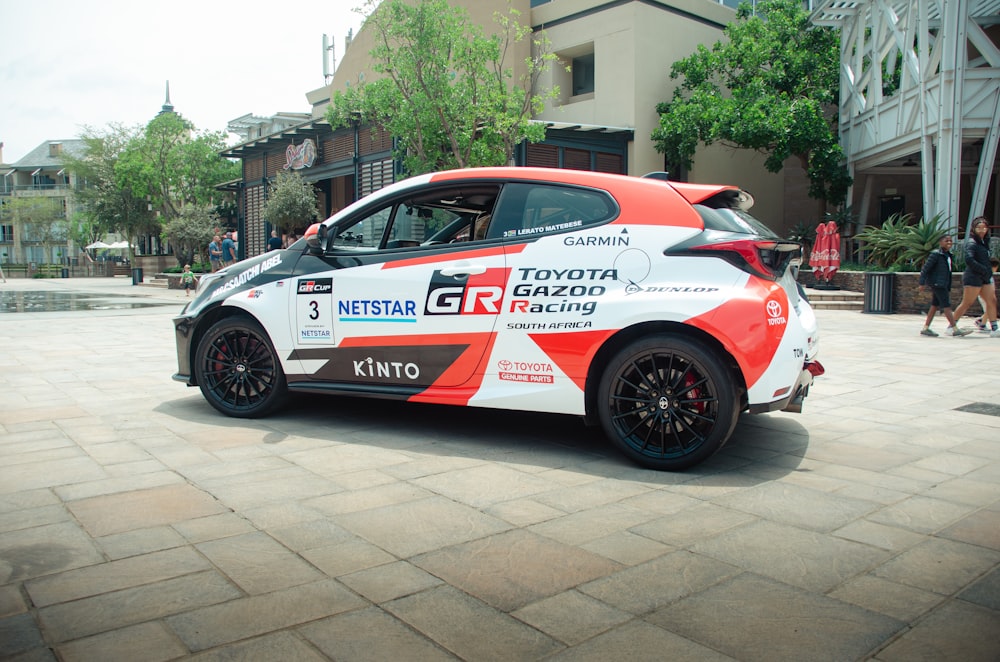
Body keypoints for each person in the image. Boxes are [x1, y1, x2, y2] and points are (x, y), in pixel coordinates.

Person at [952, 217, 999, 337]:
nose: (982, 230)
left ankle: (994, 328)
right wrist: (983, 269)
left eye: (984, 227)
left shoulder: (984, 243)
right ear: (974, 229)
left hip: (985, 277)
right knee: (967, 303)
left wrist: (987, 271)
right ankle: (951, 326)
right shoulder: (972, 243)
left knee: (992, 301)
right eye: (979, 228)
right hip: (973, 277)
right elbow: (969, 259)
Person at [918, 235, 972, 336]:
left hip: (943, 283)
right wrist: (922, 282)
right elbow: (925, 269)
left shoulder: (948, 255)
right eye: (946, 240)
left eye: (950, 241)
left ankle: (925, 328)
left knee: (934, 305)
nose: (949, 242)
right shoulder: (936, 254)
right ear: (940, 242)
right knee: (946, 305)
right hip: (938, 284)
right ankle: (955, 329)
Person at [974, 257, 1000, 332]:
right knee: (988, 310)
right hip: (985, 296)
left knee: (988, 310)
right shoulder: (987, 275)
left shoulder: (988, 275)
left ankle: (981, 321)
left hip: (987, 296)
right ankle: (982, 324)